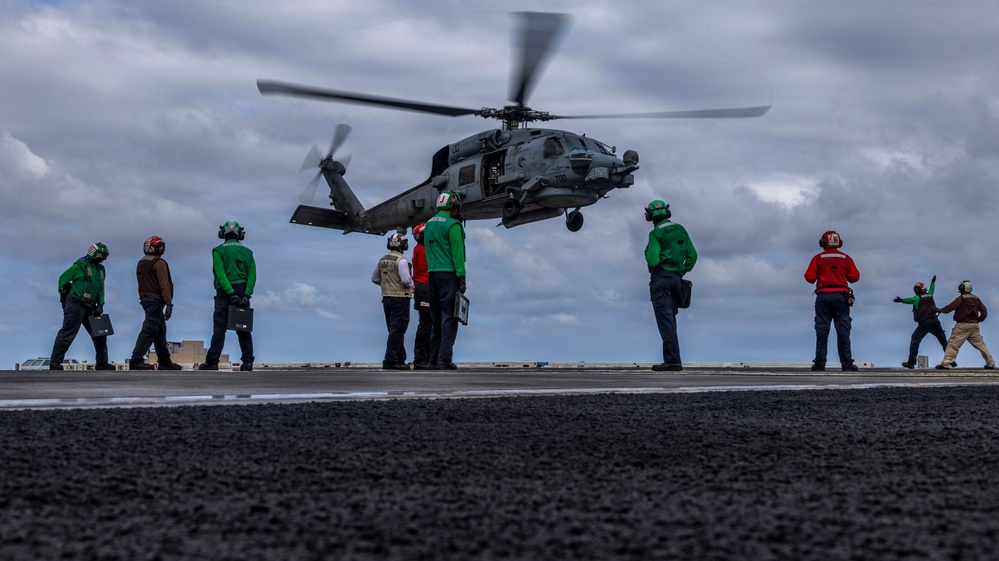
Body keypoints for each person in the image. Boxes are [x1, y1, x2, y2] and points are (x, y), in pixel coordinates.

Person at [644, 200, 697, 372]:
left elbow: (653, 260)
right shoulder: (680, 229)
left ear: (650, 216)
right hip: (676, 279)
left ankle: (673, 361)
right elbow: (692, 255)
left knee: (665, 321)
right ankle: (673, 359)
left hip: (661, 279)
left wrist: (651, 260)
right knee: (671, 321)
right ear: (668, 213)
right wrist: (681, 271)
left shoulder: (656, 234)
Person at [199, 220, 256, 372]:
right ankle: (248, 361)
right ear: (240, 234)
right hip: (243, 290)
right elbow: (252, 275)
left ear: (222, 234)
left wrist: (230, 293)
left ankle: (212, 361)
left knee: (219, 327)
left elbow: (220, 273)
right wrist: (246, 295)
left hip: (225, 292)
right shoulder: (248, 252)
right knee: (243, 328)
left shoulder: (218, 250)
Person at [50, 242, 114, 370]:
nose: (102, 259)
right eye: (100, 255)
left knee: (100, 334)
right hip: (76, 304)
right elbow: (63, 280)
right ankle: (55, 363)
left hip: (91, 306)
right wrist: (65, 298)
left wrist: (100, 304)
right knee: (68, 333)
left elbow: (101, 287)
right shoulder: (80, 266)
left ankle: (102, 363)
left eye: (104, 257)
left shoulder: (101, 270)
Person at [804, 230, 861, 372]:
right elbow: (855, 277)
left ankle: (819, 364)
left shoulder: (817, 258)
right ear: (839, 242)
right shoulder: (846, 258)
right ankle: (847, 364)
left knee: (822, 330)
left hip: (823, 297)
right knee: (843, 330)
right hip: (841, 297)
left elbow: (809, 278)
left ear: (823, 243)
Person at [425, 191, 466, 370]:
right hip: (448, 274)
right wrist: (461, 276)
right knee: (449, 317)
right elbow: (458, 253)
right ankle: (445, 360)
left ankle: (432, 360)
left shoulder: (429, 224)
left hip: (432, 275)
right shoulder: (453, 225)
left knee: (435, 319)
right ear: (453, 206)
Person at [128, 236, 182, 371]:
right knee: (150, 329)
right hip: (156, 300)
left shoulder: (141, 262)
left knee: (160, 331)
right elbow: (164, 284)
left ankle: (164, 360)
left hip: (145, 299)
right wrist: (169, 303)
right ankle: (136, 359)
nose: (162, 249)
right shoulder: (159, 263)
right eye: (161, 246)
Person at [372, 232, 415, 370]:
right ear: (404, 245)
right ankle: (390, 360)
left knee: (393, 329)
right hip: (400, 298)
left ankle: (400, 358)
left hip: (386, 297)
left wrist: (387, 285)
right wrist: (413, 286)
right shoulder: (401, 261)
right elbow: (405, 279)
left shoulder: (382, 260)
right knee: (398, 328)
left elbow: (375, 278)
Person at [935, 280, 995, 369]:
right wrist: (978, 320)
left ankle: (946, 363)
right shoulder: (976, 298)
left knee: (953, 344)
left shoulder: (961, 298)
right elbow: (984, 312)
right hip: (974, 326)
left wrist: (940, 310)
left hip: (962, 326)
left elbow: (950, 307)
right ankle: (990, 363)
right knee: (980, 345)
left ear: (962, 288)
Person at [893, 275, 948, 369]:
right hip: (935, 321)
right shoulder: (930, 295)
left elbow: (909, 300)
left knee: (915, 340)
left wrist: (901, 300)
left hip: (924, 323)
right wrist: (933, 282)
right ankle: (951, 360)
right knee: (943, 341)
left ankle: (911, 362)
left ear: (917, 290)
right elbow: (932, 289)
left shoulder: (917, 298)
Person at [410, 223, 433, 369]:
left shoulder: (418, 249)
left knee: (427, 323)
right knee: (426, 323)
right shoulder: (425, 251)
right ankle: (421, 358)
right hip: (426, 287)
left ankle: (425, 356)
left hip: (421, 288)